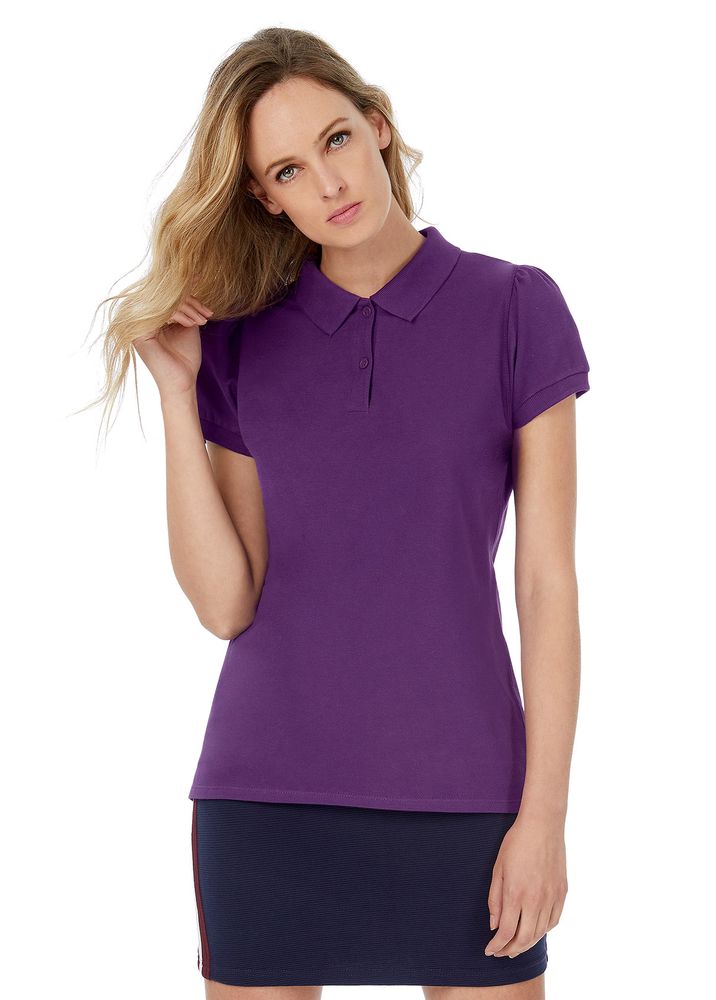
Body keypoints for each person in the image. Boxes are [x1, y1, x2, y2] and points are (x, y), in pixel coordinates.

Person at [94, 25, 591, 1000]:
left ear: (377, 125)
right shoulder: (239, 344)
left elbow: (545, 584)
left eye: (335, 140)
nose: (327, 183)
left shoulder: (514, 307)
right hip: (265, 795)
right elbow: (226, 604)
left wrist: (544, 818)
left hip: (467, 789)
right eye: (287, 169)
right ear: (263, 197)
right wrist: (177, 394)